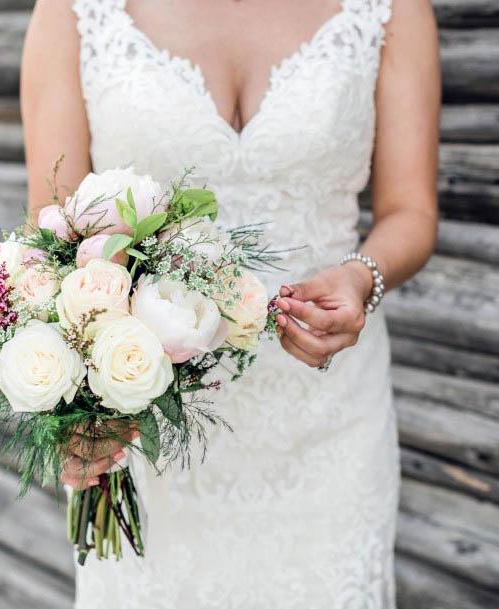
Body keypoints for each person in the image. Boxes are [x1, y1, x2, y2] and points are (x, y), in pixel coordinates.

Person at [21, 1, 440, 606]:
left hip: (329, 418)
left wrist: (361, 276)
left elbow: (412, 212)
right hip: (148, 421)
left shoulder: (392, 9)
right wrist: (75, 403)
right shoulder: (74, 10)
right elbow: (51, 230)